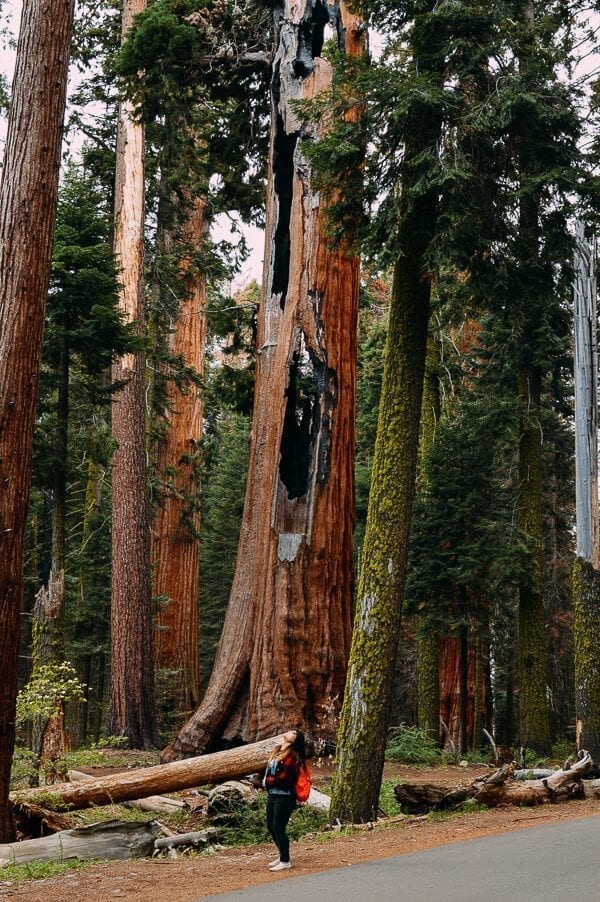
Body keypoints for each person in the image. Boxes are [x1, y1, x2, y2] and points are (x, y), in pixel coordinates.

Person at [263, 729, 307, 871]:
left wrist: (267, 781)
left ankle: (285, 861)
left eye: (294, 733)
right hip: (273, 795)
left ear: (296, 741)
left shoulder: (293, 757)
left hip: (285, 796)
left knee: (278, 827)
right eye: (291, 731)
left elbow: (285, 779)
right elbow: (270, 772)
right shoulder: (277, 750)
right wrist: (268, 782)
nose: (290, 732)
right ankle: (282, 854)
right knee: (270, 826)